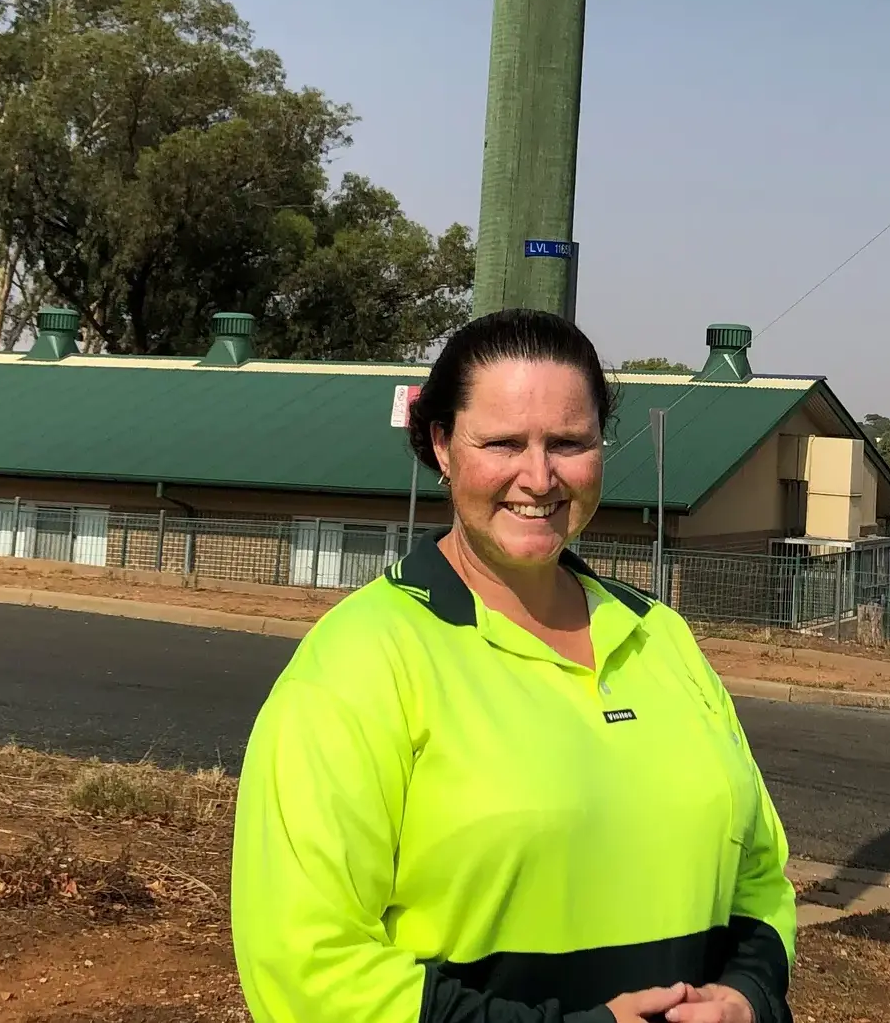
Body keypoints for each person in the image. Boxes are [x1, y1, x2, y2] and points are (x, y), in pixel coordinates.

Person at [232, 308, 795, 1023]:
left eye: (568, 442)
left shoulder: (663, 639)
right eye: (502, 443)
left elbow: (761, 879)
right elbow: (305, 964)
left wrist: (748, 998)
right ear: (442, 445)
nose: (539, 477)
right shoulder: (361, 661)